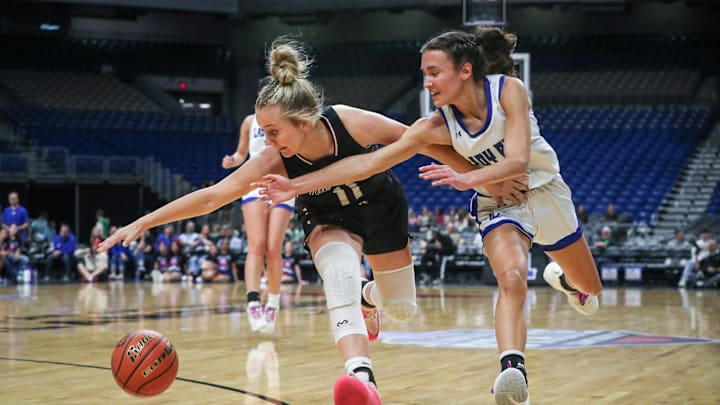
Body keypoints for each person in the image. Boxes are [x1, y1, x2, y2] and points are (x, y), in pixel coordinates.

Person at [99, 36, 493, 405]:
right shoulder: (274, 159)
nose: (268, 141)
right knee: (338, 274)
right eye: (263, 133)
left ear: (304, 121)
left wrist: (484, 179)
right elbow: (213, 196)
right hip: (327, 217)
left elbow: (421, 139)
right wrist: (145, 221)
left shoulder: (349, 122)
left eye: (273, 131)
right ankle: (361, 378)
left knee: (403, 309)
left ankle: (366, 295)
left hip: (381, 206)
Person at [258, 28, 603, 405]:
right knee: (512, 277)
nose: (427, 82)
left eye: (434, 72)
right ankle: (512, 371)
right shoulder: (433, 126)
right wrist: (296, 185)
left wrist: (468, 177)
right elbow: (369, 162)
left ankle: (568, 282)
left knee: (591, 286)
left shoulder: (508, 90)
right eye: (424, 73)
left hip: (546, 191)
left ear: (465, 71)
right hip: (498, 203)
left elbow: (518, 160)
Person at [221, 77, 297, 334]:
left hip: (282, 183)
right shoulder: (249, 121)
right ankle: (253, 303)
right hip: (254, 183)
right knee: (256, 244)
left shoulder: (286, 119)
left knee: (274, 247)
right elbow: (243, 153)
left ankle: (273, 303)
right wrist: (234, 159)